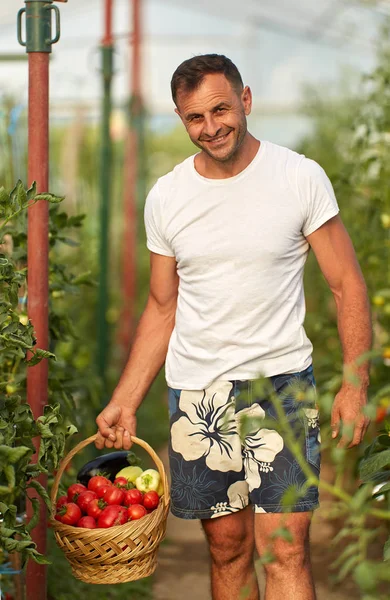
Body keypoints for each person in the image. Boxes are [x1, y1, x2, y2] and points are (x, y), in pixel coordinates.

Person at [95, 54, 371, 600]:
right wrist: (126, 399)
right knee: (226, 548)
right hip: (198, 394)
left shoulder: (298, 177)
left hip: (283, 385)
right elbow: (161, 307)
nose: (211, 126)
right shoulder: (168, 197)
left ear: (245, 101)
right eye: (195, 117)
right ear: (182, 120)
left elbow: (347, 284)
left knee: (286, 549)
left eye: (221, 109)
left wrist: (355, 382)